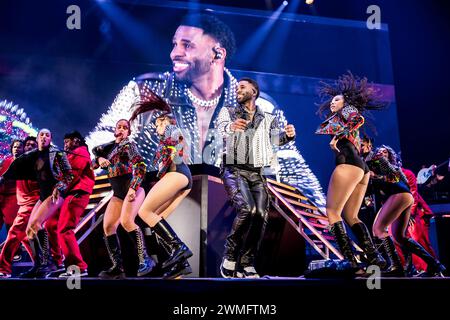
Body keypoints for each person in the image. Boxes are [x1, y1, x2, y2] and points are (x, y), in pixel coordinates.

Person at [85, 13, 325, 208]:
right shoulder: (146, 90)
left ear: (218, 54)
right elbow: (105, 138)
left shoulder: (259, 105)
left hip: (226, 217)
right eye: (174, 44)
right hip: (154, 202)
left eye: (186, 45)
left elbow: (293, 168)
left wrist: (326, 233)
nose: (174, 53)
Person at [216, 78, 296, 278]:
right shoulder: (229, 111)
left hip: (256, 172)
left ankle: (247, 262)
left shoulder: (268, 118)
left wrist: (289, 136)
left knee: (260, 214)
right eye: (237, 88)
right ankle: (230, 256)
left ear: (254, 91)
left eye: (242, 87)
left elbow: (276, 140)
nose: (238, 90)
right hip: (234, 169)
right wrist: (231, 127)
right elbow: (221, 127)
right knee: (247, 210)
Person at [315, 72, 386, 273]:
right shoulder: (342, 119)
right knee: (350, 215)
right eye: (332, 99)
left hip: (349, 166)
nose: (332, 102)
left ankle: (350, 261)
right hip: (361, 170)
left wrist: (337, 137)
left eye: (337, 99)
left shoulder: (347, 113)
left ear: (346, 103)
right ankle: (374, 256)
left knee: (332, 212)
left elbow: (358, 119)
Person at [130, 96, 193, 279]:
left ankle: (178, 248)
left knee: (144, 212)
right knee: (156, 218)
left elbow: (174, 148)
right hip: (181, 177)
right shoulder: (169, 135)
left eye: (158, 124)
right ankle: (181, 265)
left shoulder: (171, 130)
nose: (156, 129)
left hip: (177, 173)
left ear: (165, 121)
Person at [1, 129, 74, 278]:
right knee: (29, 232)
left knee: (34, 226)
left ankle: (46, 263)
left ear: (50, 139)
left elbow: (69, 175)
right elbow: (13, 169)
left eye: (48, 135)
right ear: (38, 138)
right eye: (42, 134)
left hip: (55, 193)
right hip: (42, 196)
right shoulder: (31, 156)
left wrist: (59, 187)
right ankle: (39, 265)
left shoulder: (57, 153)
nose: (44, 137)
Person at [367, 146, 446, 277]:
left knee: (382, 230)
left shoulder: (391, 169)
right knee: (399, 237)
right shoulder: (382, 170)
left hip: (408, 205)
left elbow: (407, 188)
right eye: (379, 152)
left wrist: (409, 212)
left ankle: (400, 267)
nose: (381, 154)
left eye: (385, 152)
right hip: (400, 202)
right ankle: (432, 265)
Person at [92, 119, 154, 279]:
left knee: (127, 222)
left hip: (132, 189)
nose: (121, 129)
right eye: (119, 127)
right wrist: (99, 160)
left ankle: (145, 259)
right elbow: (94, 160)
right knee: (108, 227)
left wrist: (133, 187)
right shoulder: (109, 148)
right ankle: (117, 267)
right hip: (118, 194)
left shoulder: (129, 145)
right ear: (115, 130)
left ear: (128, 132)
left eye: (125, 128)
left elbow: (141, 166)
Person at [45, 131, 95, 278]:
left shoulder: (81, 152)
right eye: (64, 141)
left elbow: (72, 174)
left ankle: (78, 267)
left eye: (68, 141)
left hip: (77, 193)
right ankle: (60, 262)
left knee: (65, 229)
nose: (65, 144)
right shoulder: (69, 155)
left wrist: (58, 187)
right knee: (50, 224)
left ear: (77, 140)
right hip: (68, 193)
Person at [0, 137, 38, 278]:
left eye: (31, 145)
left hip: (26, 203)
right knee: (25, 236)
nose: (27, 147)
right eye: (26, 144)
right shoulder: (15, 162)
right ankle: (43, 263)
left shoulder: (36, 162)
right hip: (18, 202)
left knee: (16, 233)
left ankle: (4, 268)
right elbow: (3, 177)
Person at [0, 139, 24, 233]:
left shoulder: (24, 163)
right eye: (15, 147)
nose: (16, 149)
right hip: (1, 196)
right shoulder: (5, 162)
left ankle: (13, 246)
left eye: (19, 147)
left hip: (13, 197)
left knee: (11, 224)